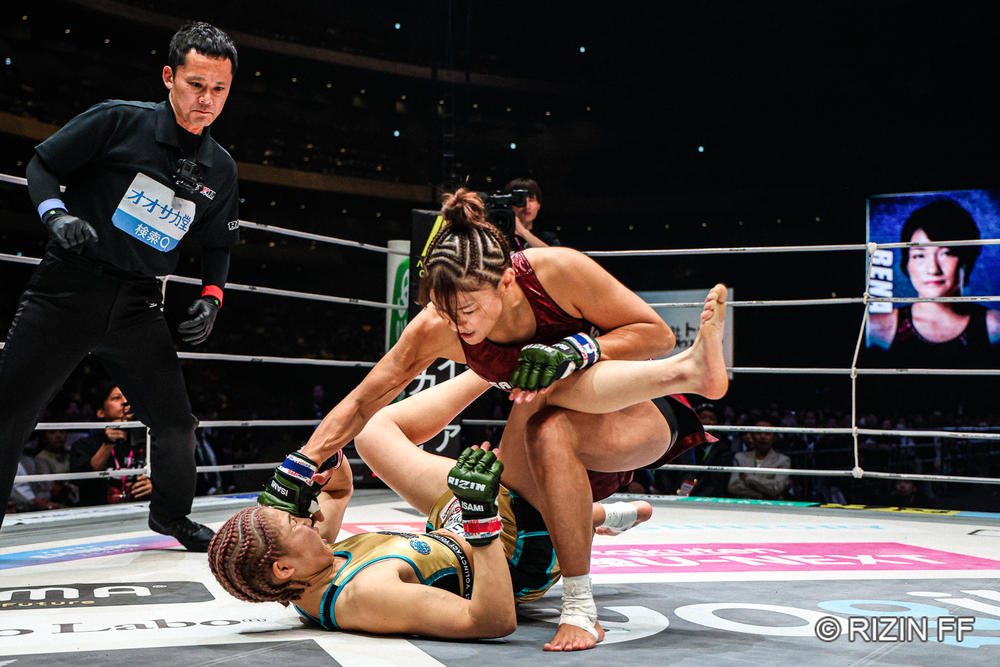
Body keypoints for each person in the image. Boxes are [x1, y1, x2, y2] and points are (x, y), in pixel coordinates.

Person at [258, 188, 728, 651]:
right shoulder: (441, 324)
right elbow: (365, 400)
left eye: (468, 309)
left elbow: (656, 334)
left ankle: (581, 606)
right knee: (381, 429)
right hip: (536, 459)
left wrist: (577, 350)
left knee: (544, 401)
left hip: (634, 418)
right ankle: (588, 504)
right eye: (446, 311)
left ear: (506, 280)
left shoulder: (555, 272)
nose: (460, 325)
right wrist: (302, 463)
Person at [0, 22, 240, 550]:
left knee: (176, 423)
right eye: (196, 84)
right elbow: (43, 162)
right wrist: (55, 214)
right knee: (9, 412)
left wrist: (211, 297)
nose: (206, 99)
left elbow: (218, 245)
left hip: (138, 302)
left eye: (219, 88)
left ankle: (171, 517)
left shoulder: (220, 168)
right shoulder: (118, 120)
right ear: (169, 77)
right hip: (68, 288)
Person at [210, 435, 652, 640]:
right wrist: (480, 517)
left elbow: (339, 490)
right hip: (515, 556)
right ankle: (585, 517)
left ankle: (488, 371)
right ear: (282, 567)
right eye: (295, 525)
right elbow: (492, 621)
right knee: (532, 425)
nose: (308, 520)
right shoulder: (365, 595)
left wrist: (320, 459)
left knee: (372, 431)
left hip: (454, 525)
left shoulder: (310, 567)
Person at [868, 199, 1000, 366]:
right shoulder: (876, 329)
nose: (933, 269)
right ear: (906, 263)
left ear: (966, 260)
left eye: (946, 253)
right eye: (919, 255)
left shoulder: (994, 326)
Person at [69, 384, 152, 506]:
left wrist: (153, 486)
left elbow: (167, 475)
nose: (126, 401)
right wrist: (108, 443)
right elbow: (82, 480)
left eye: (128, 396)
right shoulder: (84, 445)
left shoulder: (147, 441)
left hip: (139, 511)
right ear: (101, 412)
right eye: (116, 398)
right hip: (99, 512)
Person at [727, 415, 792, 500]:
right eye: (758, 433)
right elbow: (733, 486)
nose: (762, 437)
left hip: (771, 505)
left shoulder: (783, 460)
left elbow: (776, 488)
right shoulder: (739, 457)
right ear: (752, 435)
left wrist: (748, 478)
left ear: (774, 437)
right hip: (745, 504)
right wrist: (759, 494)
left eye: (767, 433)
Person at [503, 177, 561, 249]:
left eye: (531, 200)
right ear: (509, 205)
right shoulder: (500, 235)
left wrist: (523, 232)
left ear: (539, 205)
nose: (527, 206)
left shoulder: (548, 238)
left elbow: (555, 255)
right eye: (520, 201)